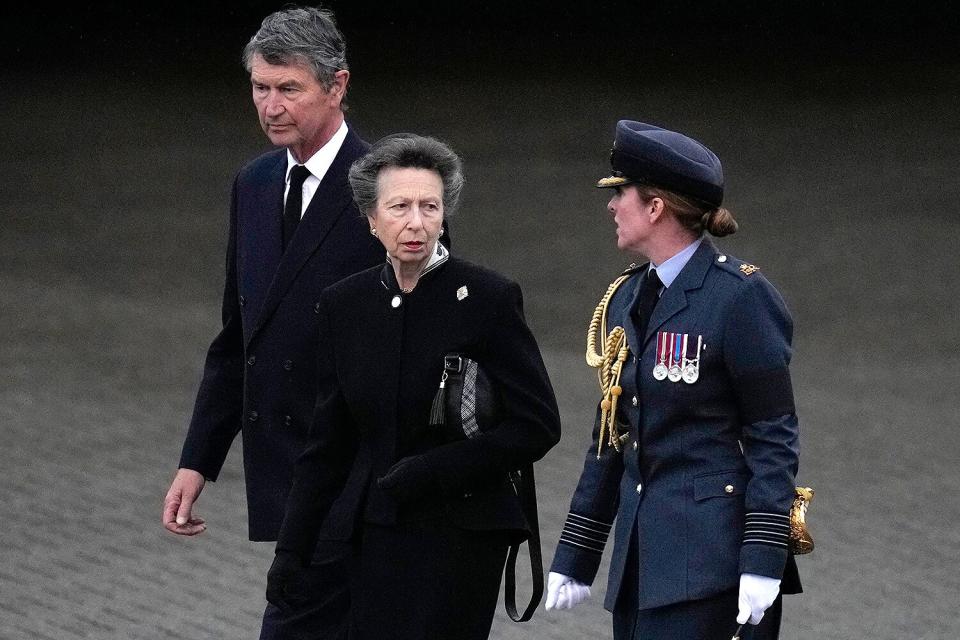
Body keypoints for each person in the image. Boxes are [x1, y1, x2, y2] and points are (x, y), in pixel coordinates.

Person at [159, 6, 418, 639]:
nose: (271, 105)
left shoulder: (391, 191)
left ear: (337, 87)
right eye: (260, 87)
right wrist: (199, 460)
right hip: (292, 480)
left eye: (289, 89)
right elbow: (238, 337)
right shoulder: (252, 184)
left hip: (364, 487)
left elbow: (432, 344)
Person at [265, 134, 561, 640]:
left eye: (430, 207)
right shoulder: (346, 305)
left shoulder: (487, 298)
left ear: (445, 215)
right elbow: (328, 444)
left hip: (462, 532)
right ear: (371, 219)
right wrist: (291, 549)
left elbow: (537, 426)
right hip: (375, 528)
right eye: (399, 207)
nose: (416, 223)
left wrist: (433, 468)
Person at [546, 120, 802, 639]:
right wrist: (578, 551)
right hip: (641, 565)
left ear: (656, 207)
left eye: (622, 194)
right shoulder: (626, 297)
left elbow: (772, 433)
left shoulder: (738, 298)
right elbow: (611, 435)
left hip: (713, 564)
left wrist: (762, 557)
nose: (612, 206)